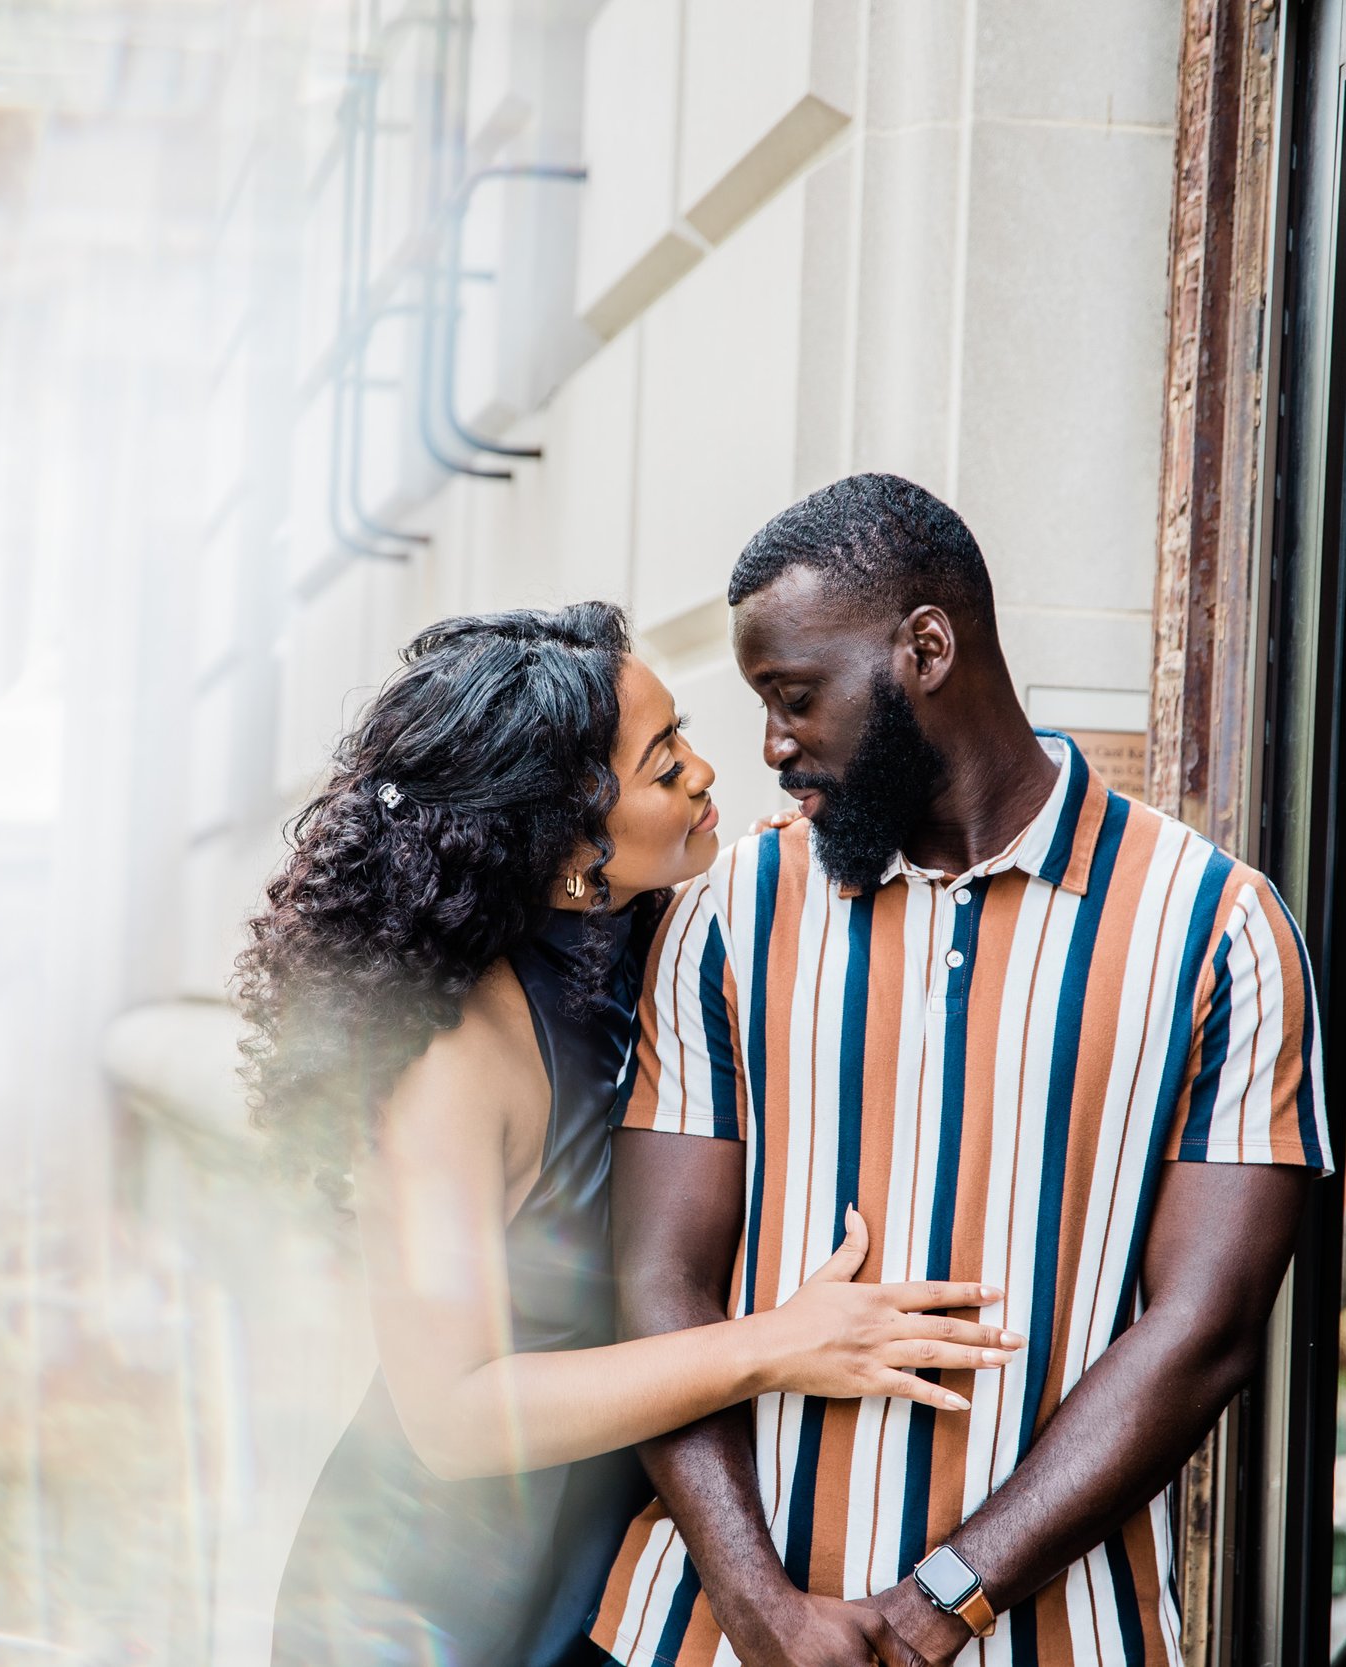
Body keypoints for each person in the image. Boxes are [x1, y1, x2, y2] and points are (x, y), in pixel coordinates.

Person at [590, 476, 1330, 1667]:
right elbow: (656, 1276)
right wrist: (757, 1604)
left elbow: (1207, 1326)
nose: (772, 746)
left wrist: (941, 1603)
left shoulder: (1215, 923)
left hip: (1057, 1641)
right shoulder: (731, 906)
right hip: (704, 1636)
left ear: (925, 647)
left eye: (794, 697)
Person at [245, 603, 1024, 1667]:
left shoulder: (627, 938)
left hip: (584, 1570)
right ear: (567, 845)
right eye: (664, 767)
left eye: (683, 736)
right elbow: (451, 1413)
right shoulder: (452, 1057)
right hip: (422, 1609)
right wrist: (778, 1344)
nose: (706, 772)